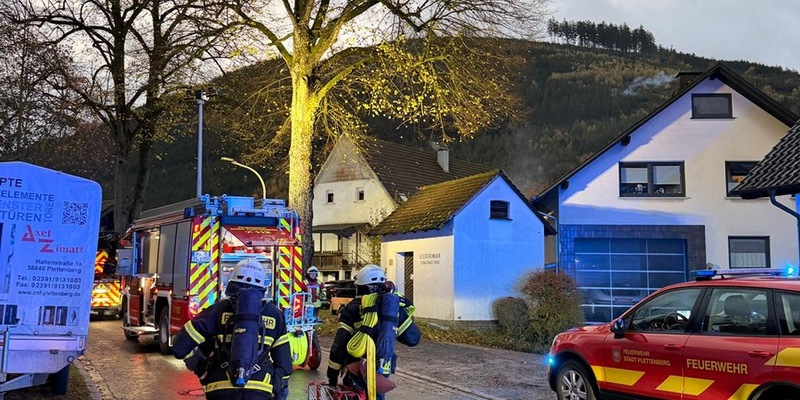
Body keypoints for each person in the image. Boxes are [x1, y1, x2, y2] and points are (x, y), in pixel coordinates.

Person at [172, 258, 292, 400]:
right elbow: (284, 364)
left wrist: (202, 369)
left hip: (220, 388)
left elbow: (180, 346)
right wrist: (277, 387)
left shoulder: (217, 311)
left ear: (232, 282)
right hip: (261, 389)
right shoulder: (275, 315)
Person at [326, 265, 420, 400]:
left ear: (361, 286)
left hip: (356, 369)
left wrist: (332, 375)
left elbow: (339, 345)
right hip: (382, 371)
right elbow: (413, 338)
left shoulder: (352, 309)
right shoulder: (393, 309)